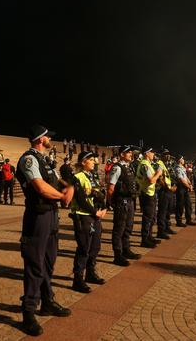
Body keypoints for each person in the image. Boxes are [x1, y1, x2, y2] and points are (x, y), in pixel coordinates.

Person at [16, 125, 74, 336]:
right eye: (49, 137)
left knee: (49, 261)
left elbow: (57, 180)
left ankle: (47, 301)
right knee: (34, 264)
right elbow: (40, 187)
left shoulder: (45, 160)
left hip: (50, 215)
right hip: (37, 217)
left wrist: (69, 187)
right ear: (41, 139)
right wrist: (62, 196)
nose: (51, 139)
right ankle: (28, 312)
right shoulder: (29, 159)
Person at [69, 151, 107, 293]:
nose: (94, 162)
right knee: (84, 248)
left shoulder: (94, 176)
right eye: (91, 159)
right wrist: (94, 212)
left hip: (95, 216)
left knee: (95, 247)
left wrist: (103, 208)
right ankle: (78, 279)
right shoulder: (77, 177)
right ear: (83, 162)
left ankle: (90, 273)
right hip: (83, 216)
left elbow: (100, 194)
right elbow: (80, 199)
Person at [107, 145, 141, 267]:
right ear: (122, 154)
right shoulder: (117, 168)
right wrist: (111, 203)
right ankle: (118, 255)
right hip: (121, 202)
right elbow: (110, 187)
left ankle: (126, 250)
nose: (131, 154)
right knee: (119, 229)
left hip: (130, 200)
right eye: (128, 152)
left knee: (128, 227)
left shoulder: (129, 167)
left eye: (131, 152)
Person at [136, 147, 163, 248]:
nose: (153, 154)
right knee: (147, 217)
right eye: (152, 152)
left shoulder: (148, 164)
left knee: (152, 217)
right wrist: (158, 173)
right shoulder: (144, 164)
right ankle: (145, 239)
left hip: (150, 193)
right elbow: (151, 180)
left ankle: (149, 237)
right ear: (146, 153)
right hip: (146, 194)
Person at [175, 155, 196, 226]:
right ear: (179, 160)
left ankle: (188, 220)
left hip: (185, 188)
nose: (183, 160)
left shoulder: (182, 168)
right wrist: (189, 186)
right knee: (180, 206)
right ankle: (179, 221)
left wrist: (190, 183)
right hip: (181, 188)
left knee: (188, 205)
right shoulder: (177, 168)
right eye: (182, 159)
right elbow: (181, 180)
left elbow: (185, 177)